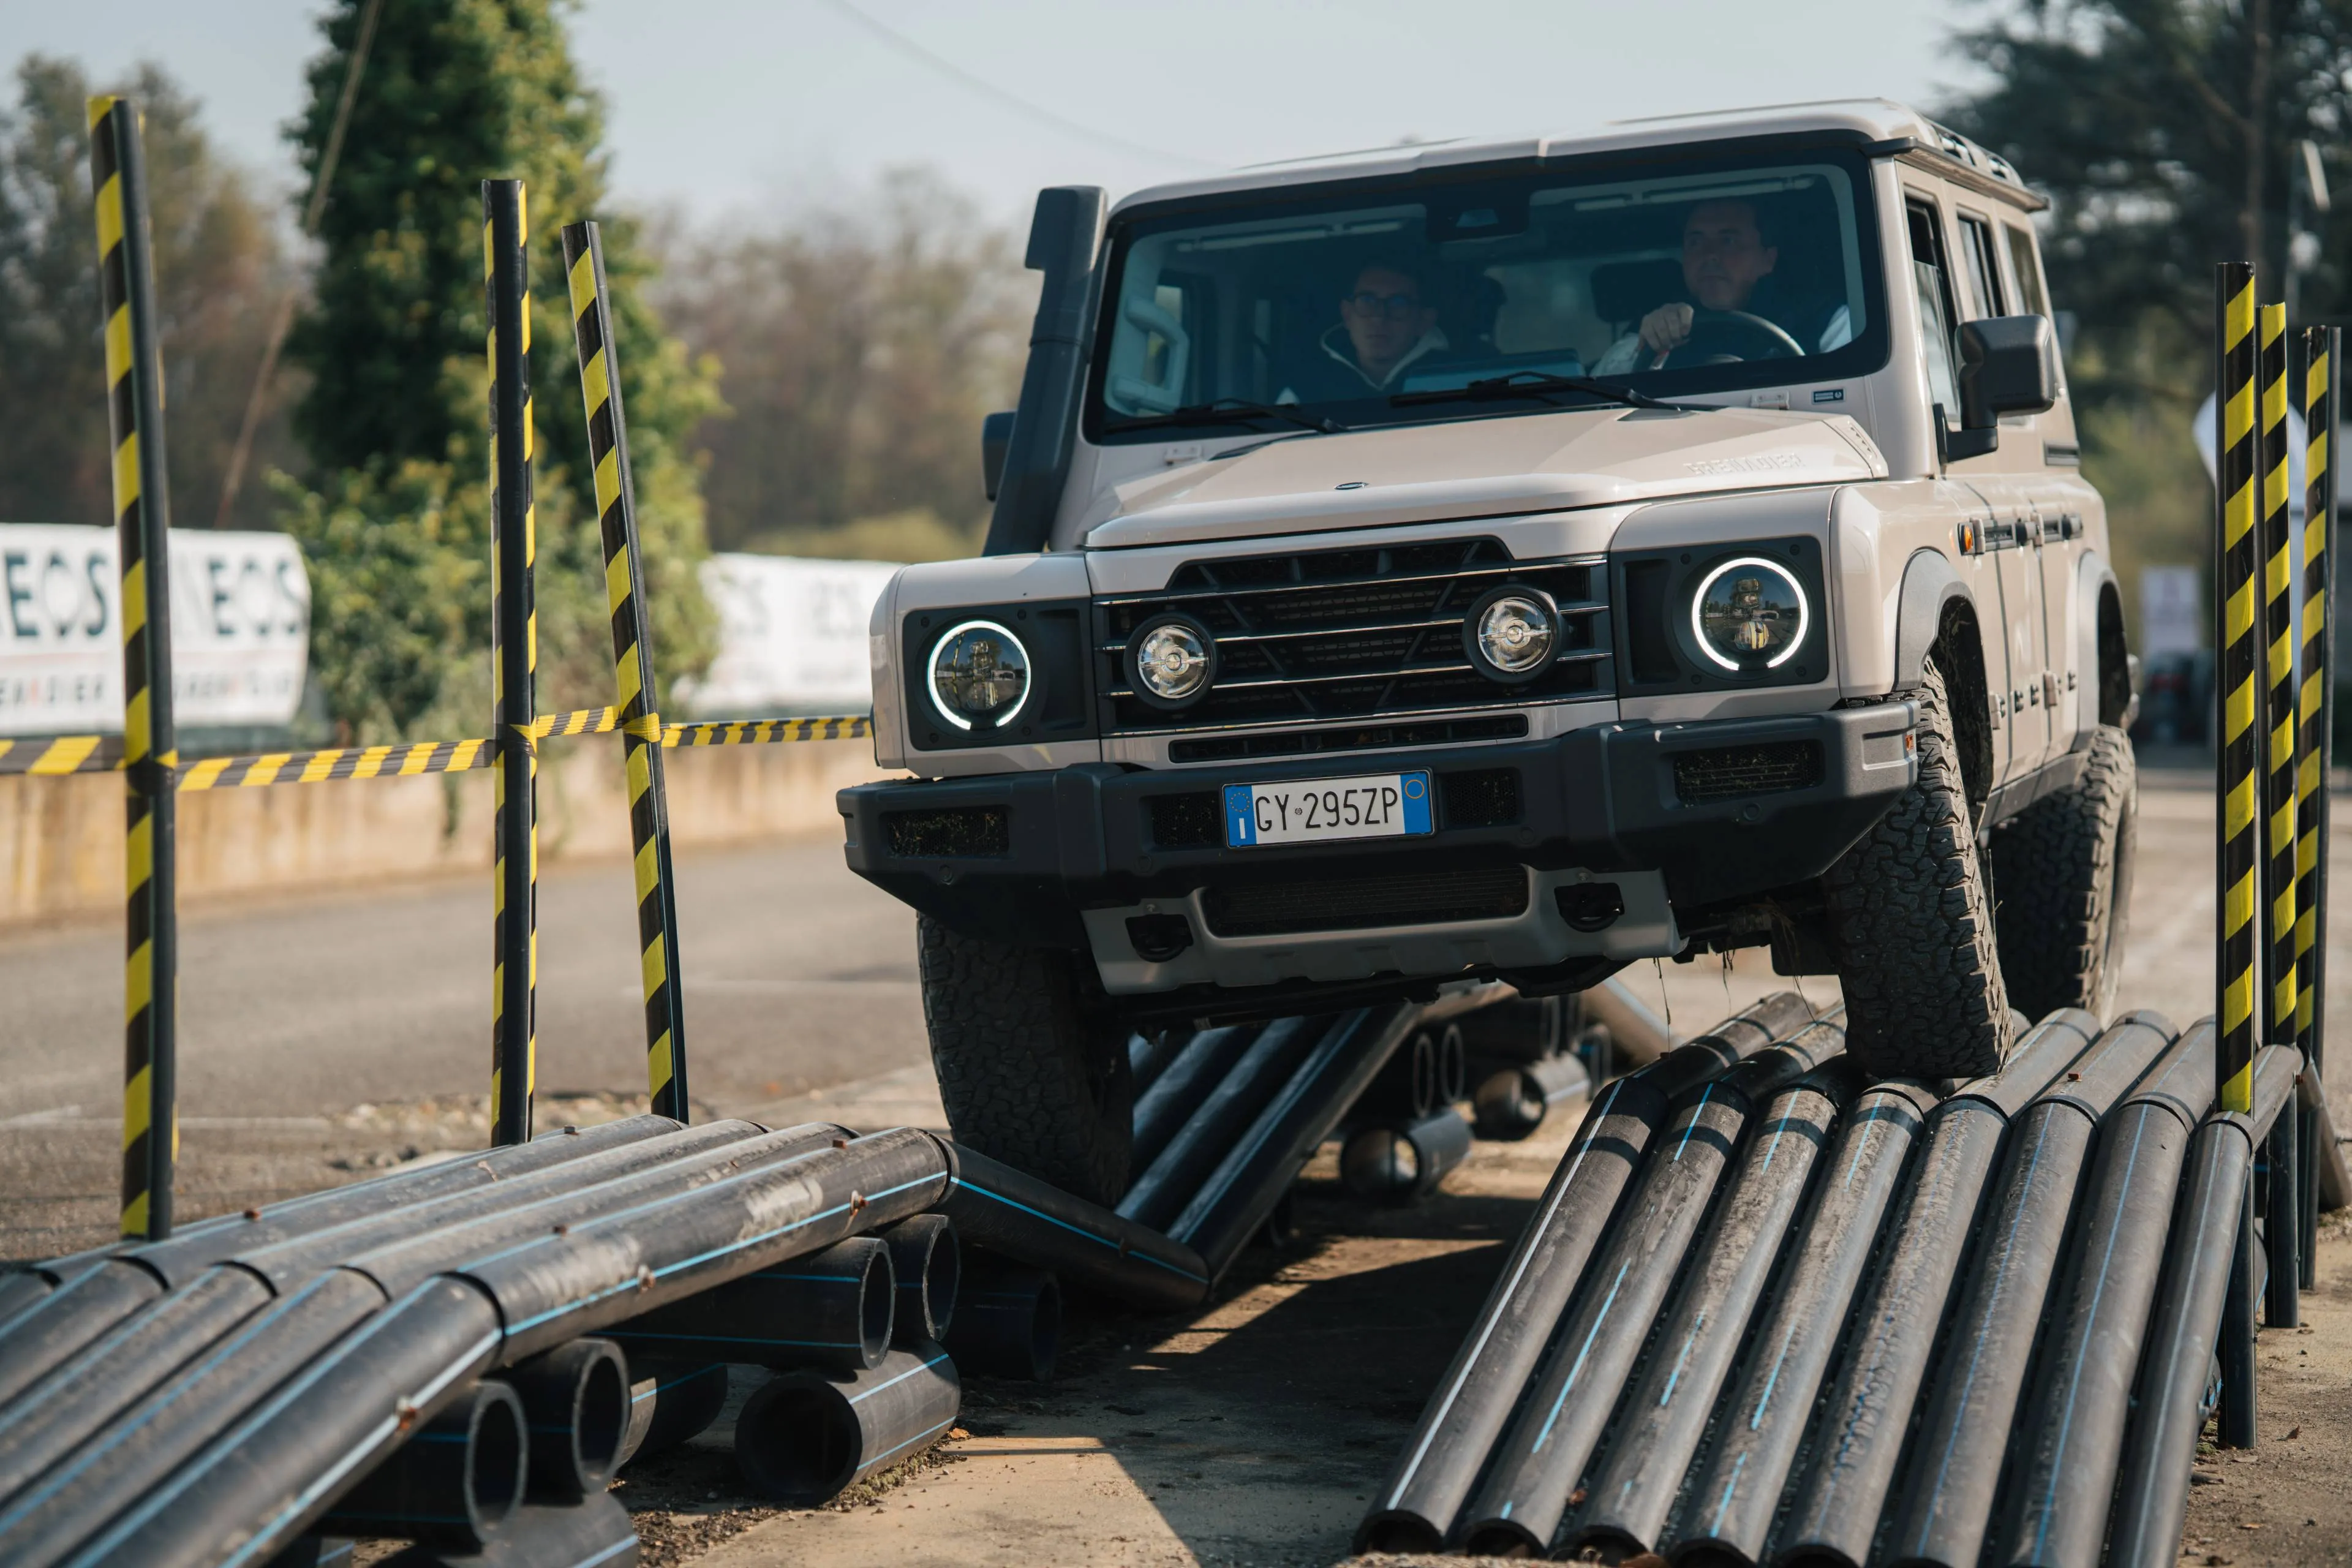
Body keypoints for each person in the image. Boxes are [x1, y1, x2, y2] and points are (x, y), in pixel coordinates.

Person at [1591, 199, 1852, 374]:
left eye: (1728, 241)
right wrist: (1653, 348)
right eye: (1696, 242)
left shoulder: (1822, 319)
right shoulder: (1655, 325)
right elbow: (1604, 394)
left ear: (1767, 259)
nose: (1709, 256)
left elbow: (1852, 390)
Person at [1283, 259, 1451, 402]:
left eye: (1398, 303)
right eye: (1367, 301)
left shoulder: (1462, 377)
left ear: (1424, 320)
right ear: (1347, 314)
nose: (1379, 317)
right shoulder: (1304, 389)